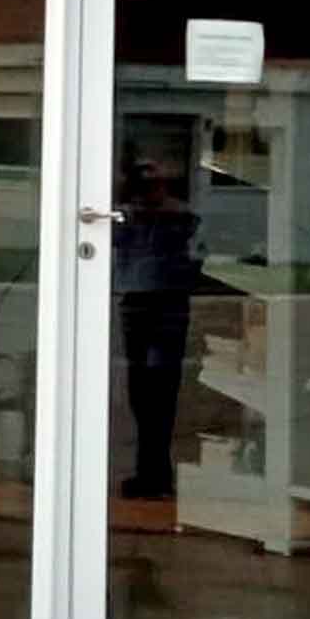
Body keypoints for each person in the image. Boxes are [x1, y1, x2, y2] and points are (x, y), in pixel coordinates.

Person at [112, 154, 204, 500]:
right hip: (139, 302)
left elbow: (193, 242)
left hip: (167, 304)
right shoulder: (129, 218)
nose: (148, 191)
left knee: (161, 392)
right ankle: (150, 472)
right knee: (142, 393)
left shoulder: (178, 217)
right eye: (143, 183)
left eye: (154, 183)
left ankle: (157, 475)